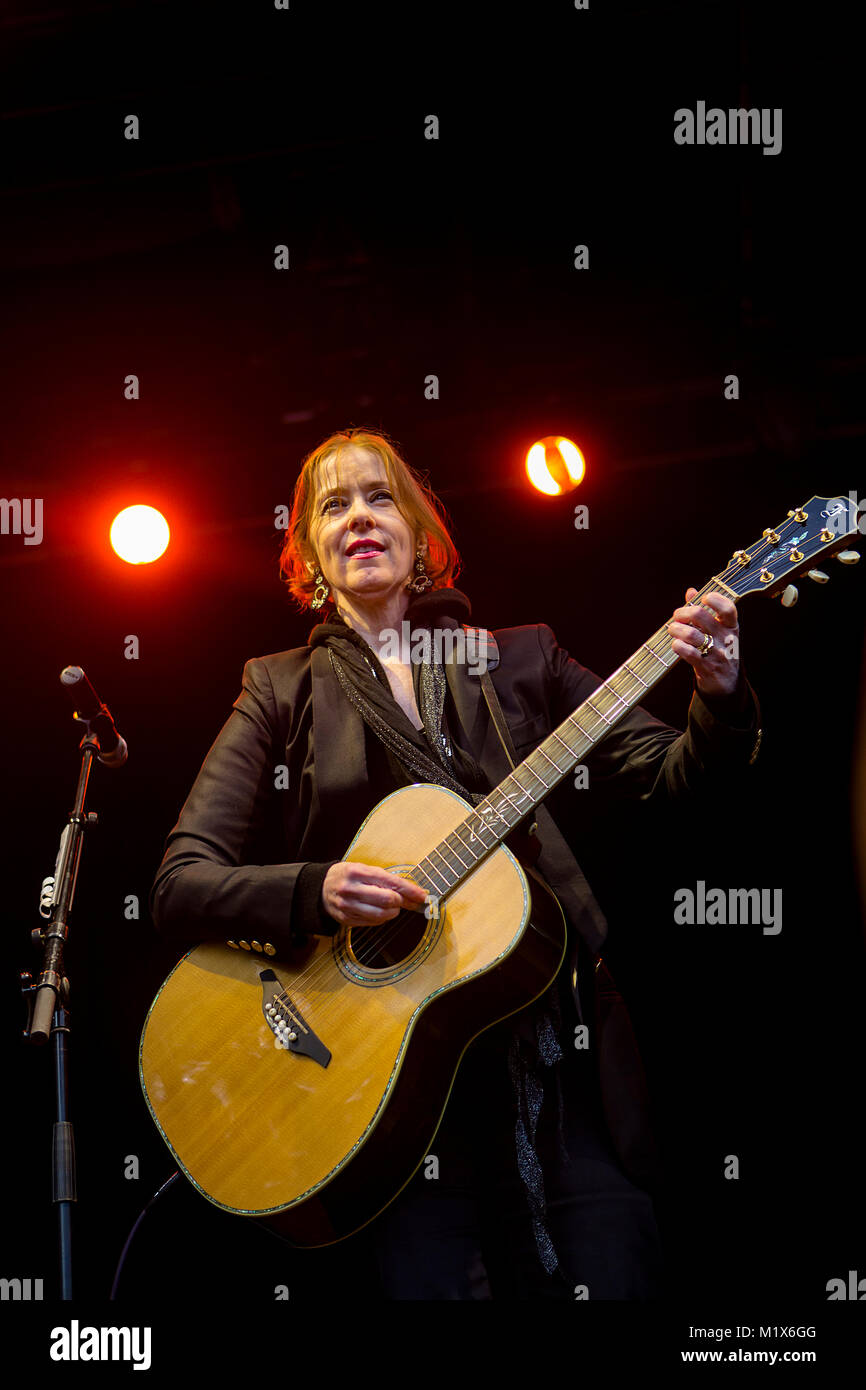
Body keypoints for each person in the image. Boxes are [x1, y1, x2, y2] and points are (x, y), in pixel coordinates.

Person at [149, 426, 762, 1300]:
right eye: (332, 505)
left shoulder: (519, 656)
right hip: (382, 1097)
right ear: (308, 556)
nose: (358, 516)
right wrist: (313, 889)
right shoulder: (278, 686)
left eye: (378, 496)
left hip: (554, 1066)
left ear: (422, 534)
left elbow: (676, 779)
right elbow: (180, 885)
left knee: (615, 1265)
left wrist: (720, 690)